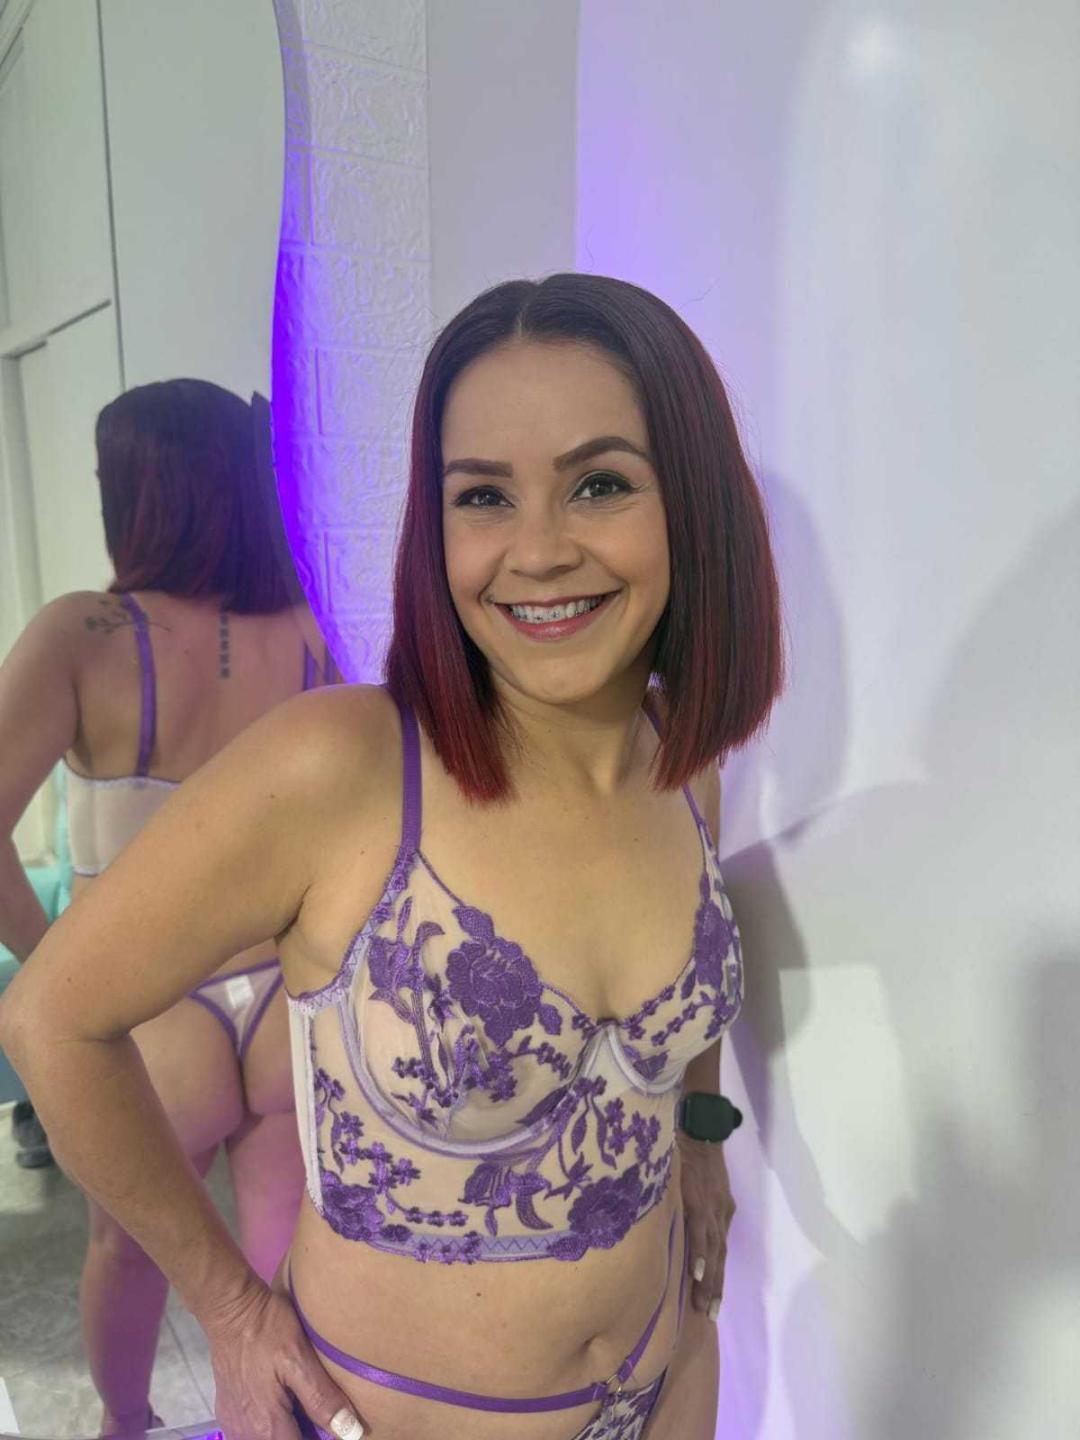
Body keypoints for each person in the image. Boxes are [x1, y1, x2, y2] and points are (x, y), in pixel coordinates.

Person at [0, 275, 783, 1440]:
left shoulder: (684, 760)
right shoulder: (346, 766)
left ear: (694, 502)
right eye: (484, 496)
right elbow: (52, 1020)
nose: (539, 550)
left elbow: (685, 1015)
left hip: (669, 1384)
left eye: (600, 483)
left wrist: (702, 1142)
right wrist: (230, 1312)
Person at [0, 379, 335, 1434]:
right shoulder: (308, 628)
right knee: (285, 1253)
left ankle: (127, 1424)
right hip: (285, 998)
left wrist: (55, 967)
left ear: (138, 492)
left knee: (128, 1249)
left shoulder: (82, 633)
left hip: (147, 1018)